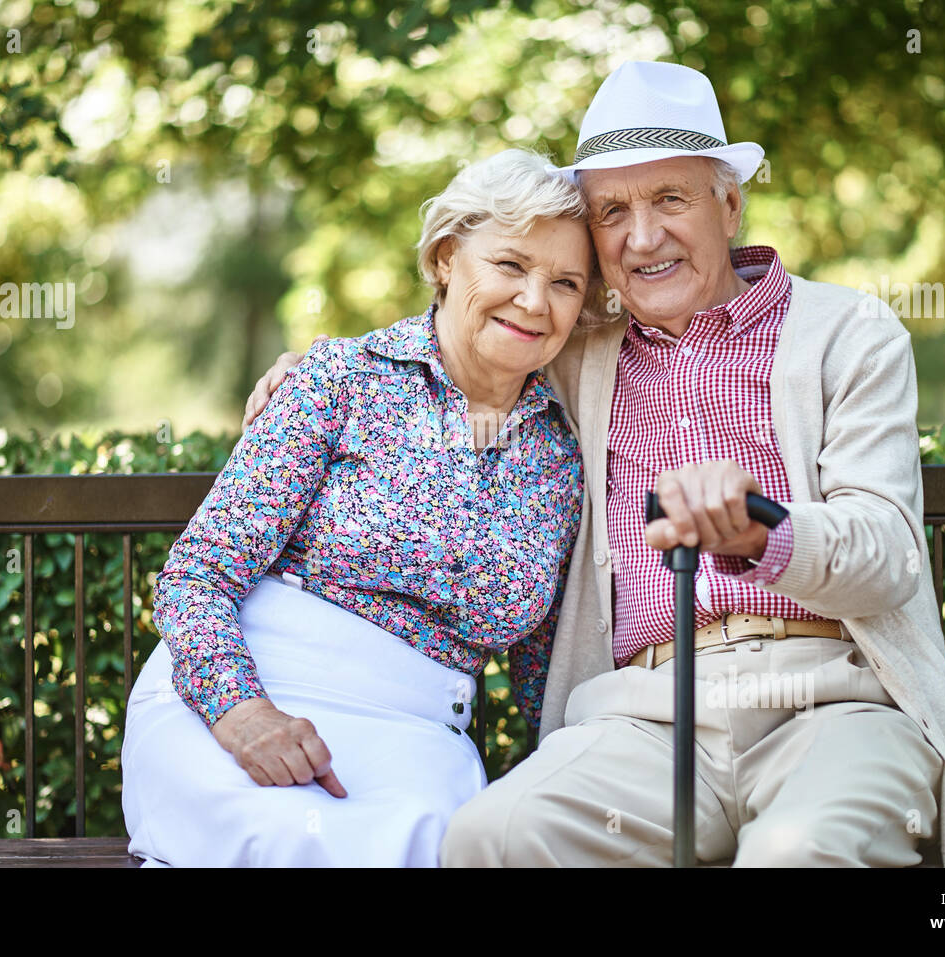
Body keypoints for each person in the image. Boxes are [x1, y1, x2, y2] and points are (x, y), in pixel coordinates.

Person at [246, 61, 945, 868]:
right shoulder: (576, 353)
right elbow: (473, 320)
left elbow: (887, 551)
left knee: (795, 852)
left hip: (834, 700)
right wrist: (334, 368)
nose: (641, 238)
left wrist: (765, 529)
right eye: (613, 211)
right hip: (647, 718)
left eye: (670, 199)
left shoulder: (849, 332)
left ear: (730, 202)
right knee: (487, 838)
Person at [121, 148, 596, 866]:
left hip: (416, 742)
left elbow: (540, 672)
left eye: (565, 282)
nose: (535, 300)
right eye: (510, 265)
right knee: (275, 839)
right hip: (241, 692)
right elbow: (198, 573)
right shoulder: (342, 378)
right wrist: (241, 709)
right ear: (444, 258)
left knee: (430, 843)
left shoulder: (562, 458)